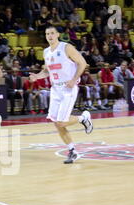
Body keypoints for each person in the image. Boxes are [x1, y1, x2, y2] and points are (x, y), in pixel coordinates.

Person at [29, 26, 92, 164]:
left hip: (68, 87)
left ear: (57, 34)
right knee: (57, 124)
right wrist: (36, 76)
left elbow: (82, 63)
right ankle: (72, 151)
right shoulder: (46, 52)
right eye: (47, 33)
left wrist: (74, 79)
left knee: (62, 122)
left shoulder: (66, 47)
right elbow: (47, 71)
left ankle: (84, 118)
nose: (50, 36)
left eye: (52, 33)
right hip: (55, 89)